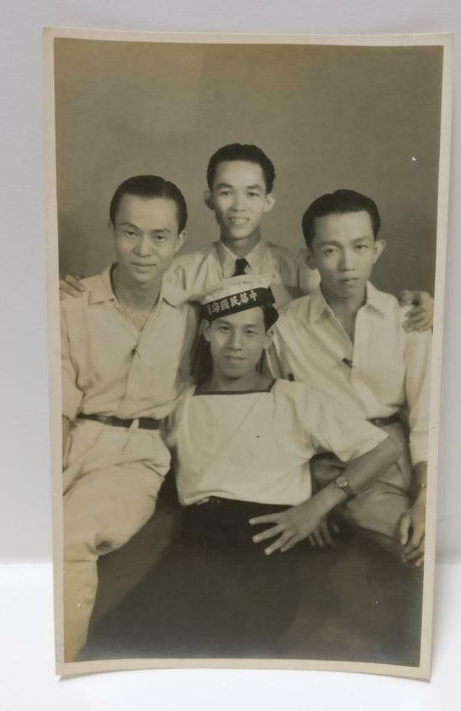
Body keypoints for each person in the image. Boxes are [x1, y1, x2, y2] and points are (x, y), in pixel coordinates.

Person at [82, 275, 402, 659]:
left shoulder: (293, 399)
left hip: (263, 553)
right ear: (205, 331)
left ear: (268, 337)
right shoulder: (181, 404)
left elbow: (384, 447)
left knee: (215, 642)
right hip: (195, 546)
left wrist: (317, 508)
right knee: (113, 643)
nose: (236, 345)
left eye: (250, 332)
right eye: (224, 330)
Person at [59, 143, 434, 329]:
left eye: (252, 193)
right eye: (226, 192)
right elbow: (130, 300)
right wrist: (72, 290)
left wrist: (422, 310)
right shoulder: (180, 271)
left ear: (269, 200)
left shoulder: (302, 269)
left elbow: (350, 297)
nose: (239, 206)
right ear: (209, 198)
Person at [61, 175, 197, 661]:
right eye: (130, 232)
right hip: (69, 442)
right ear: (112, 230)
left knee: (69, 538)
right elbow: (55, 403)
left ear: (180, 242)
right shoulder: (70, 302)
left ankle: (59, 671)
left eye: (160, 237)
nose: (143, 250)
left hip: (137, 457)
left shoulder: (193, 314)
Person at [267, 189, 432, 566]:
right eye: (330, 250)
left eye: (359, 247)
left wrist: (426, 498)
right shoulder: (286, 329)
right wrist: (304, 494)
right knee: (423, 548)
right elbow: (278, 420)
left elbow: (426, 419)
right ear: (309, 257)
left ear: (377, 249)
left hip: (411, 454)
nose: (347, 264)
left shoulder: (407, 318)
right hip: (348, 471)